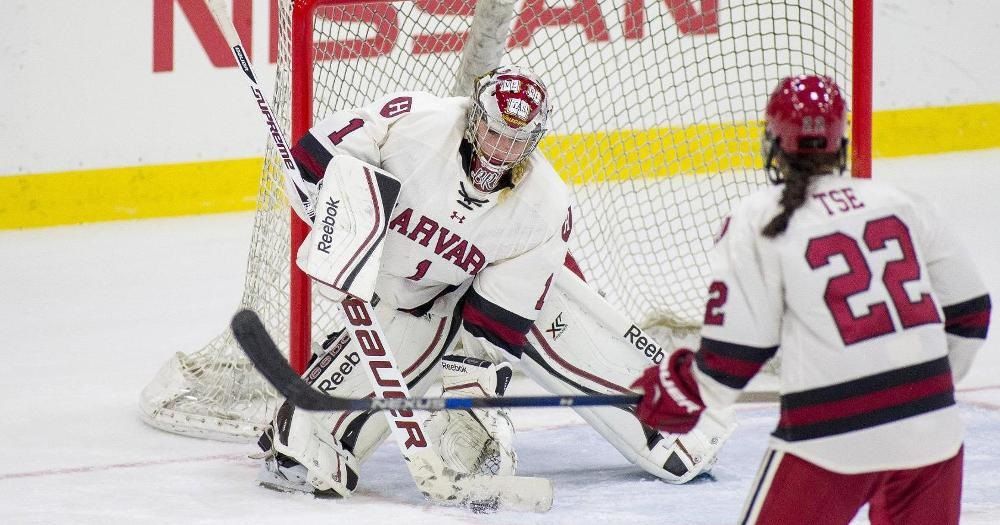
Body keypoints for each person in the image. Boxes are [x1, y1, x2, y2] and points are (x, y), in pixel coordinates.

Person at [255, 64, 730, 499]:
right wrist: (322, 182)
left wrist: (469, 391)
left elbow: (494, 323)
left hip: (489, 291)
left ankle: (676, 422)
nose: (500, 149)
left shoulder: (544, 206)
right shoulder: (419, 124)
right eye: (493, 131)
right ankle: (333, 399)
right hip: (408, 298)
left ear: (534, 140)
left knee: (545, 337)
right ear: (474, 116)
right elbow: (336, 146)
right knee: (303, 450)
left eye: (515, 140)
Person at [630, 74, 991, 524]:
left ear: (773, 143)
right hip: (933, 435)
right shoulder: (900, 201)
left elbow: (735, 355)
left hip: (829, 440)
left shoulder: (758, 218)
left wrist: (679, 388)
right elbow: (972, 310)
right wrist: (927, 390)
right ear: (840, 143)